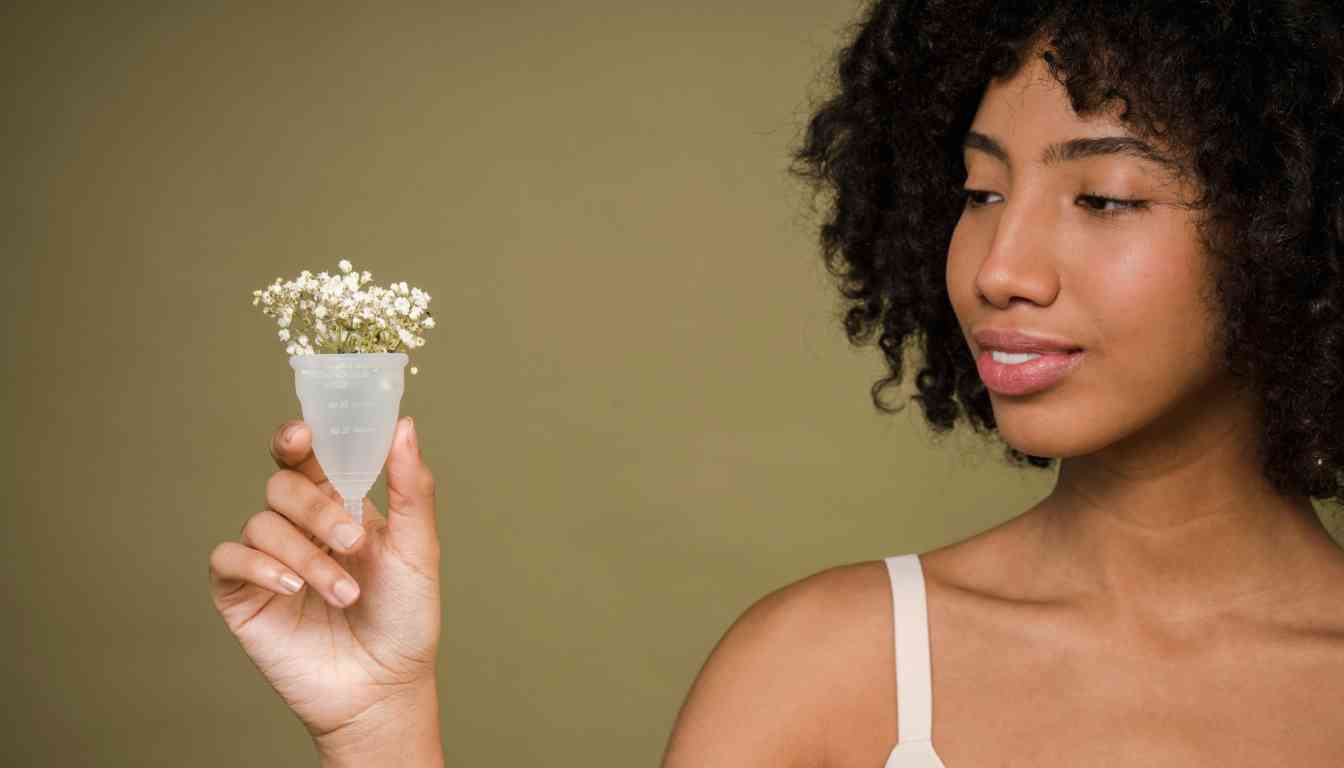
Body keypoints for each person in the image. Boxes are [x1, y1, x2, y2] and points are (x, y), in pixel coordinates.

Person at [209, 0, 1344, 764]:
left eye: (1102, 199)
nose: (998, 269)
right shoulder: (829, 667)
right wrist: (382, 720)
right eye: (979, 191)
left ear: (1296, 230)